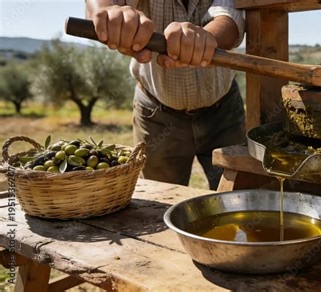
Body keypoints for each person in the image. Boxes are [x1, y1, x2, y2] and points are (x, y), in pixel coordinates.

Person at [86, 0, 246, 190]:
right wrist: (108, 13)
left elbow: (230, 18)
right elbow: (103, 6)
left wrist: (205, 38)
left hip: (224, 114)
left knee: (239, 199)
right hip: (156, 117)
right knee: (159, 201)